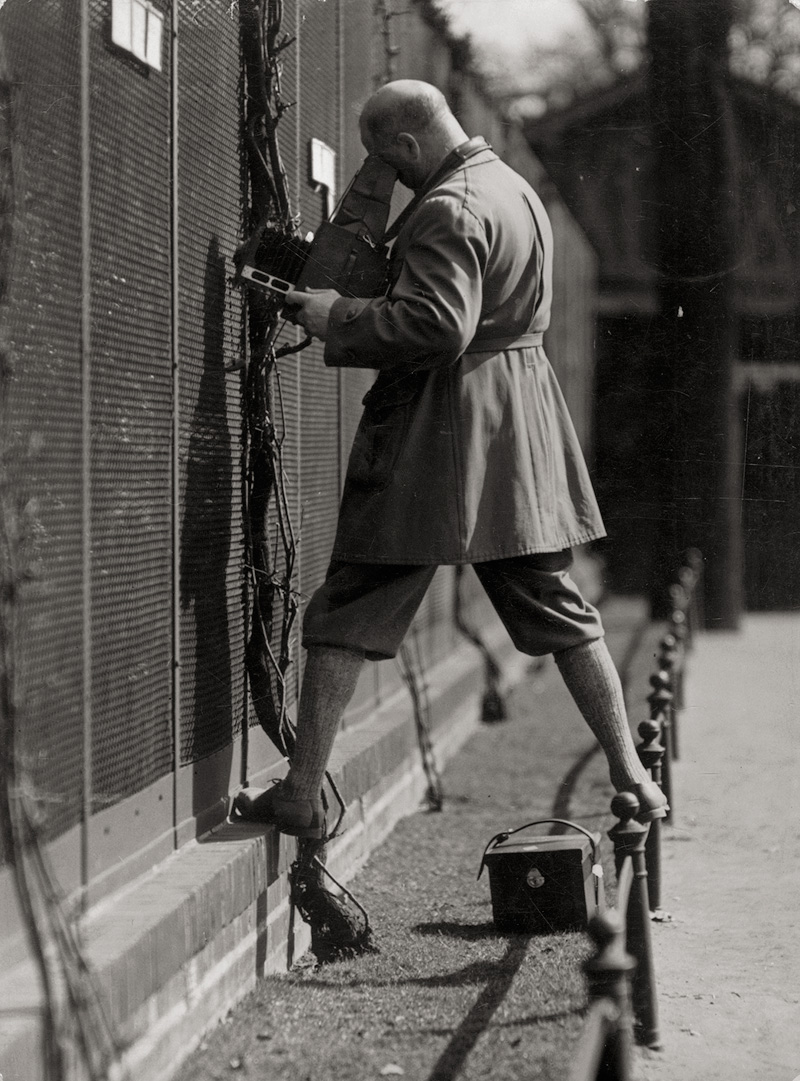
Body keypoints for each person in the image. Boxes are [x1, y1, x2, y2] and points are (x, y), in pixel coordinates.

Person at [233, 79, 667, 839]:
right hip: (516, 428)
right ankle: (634, 777)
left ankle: (302, 793)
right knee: (558, 609)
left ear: (407, 143)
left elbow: (437, 326)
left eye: (390, 162)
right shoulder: (514, 188)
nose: (393, 179)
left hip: (440, 430)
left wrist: (338, 314)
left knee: (351, 604)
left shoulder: (446, 206)